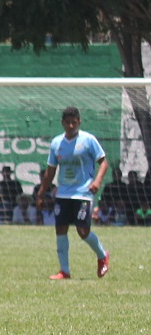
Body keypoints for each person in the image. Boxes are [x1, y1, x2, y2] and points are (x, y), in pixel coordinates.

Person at [35, 106, 110, 279]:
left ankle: (102, 255)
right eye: (67, 123)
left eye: (74, 123)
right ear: (62, 123)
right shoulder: (56, 143)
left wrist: (97, 181)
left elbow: (104, 162)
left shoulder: (88, 140)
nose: (70, 126)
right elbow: (50, 171)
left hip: (83, 193)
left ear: (79, 122)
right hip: (63, 193)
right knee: (60, 229)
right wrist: (41, 193)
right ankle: (64, 270)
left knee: (83, 231)